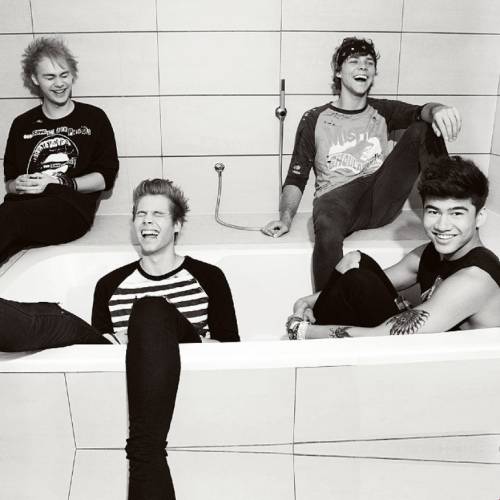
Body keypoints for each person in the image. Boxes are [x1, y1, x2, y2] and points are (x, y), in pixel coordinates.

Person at [262, 37, 462, 291]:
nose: (363, 67)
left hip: (381, 195)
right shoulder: (315, 118)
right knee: (326, 221)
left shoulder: (383, 110)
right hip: (338, 199)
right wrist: (286, 218)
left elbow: (422, 110)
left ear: (374, 73)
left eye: (369, 63)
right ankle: (328, 307)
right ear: (338, 72)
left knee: (424, 128)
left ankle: (454, 213)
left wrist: (437, 109)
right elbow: (296, 177)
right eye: (354, 61)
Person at [285, 156, 499, 340]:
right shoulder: (432, 254)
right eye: (434, 212)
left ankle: (313, 352)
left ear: (480, 217)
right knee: (354, 262)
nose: (442, 225)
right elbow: (374, 279)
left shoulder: (475, 279)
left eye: (456, 213)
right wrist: (305, 302)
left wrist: (303, 332)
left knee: (353, 288)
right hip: (424, 347)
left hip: (451, 368)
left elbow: (379, 335)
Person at [0, 37, 119, 266]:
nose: (59, 83)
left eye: (64, 75)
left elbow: (105, 178)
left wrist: (58, 182)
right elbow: (10, 182)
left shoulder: (94, 118)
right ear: (35, 79)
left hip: (70, 209)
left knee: (10, 217)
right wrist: (20, 184)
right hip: (22, 208)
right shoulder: (22, 124)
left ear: (72, 75)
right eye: (50, 77)